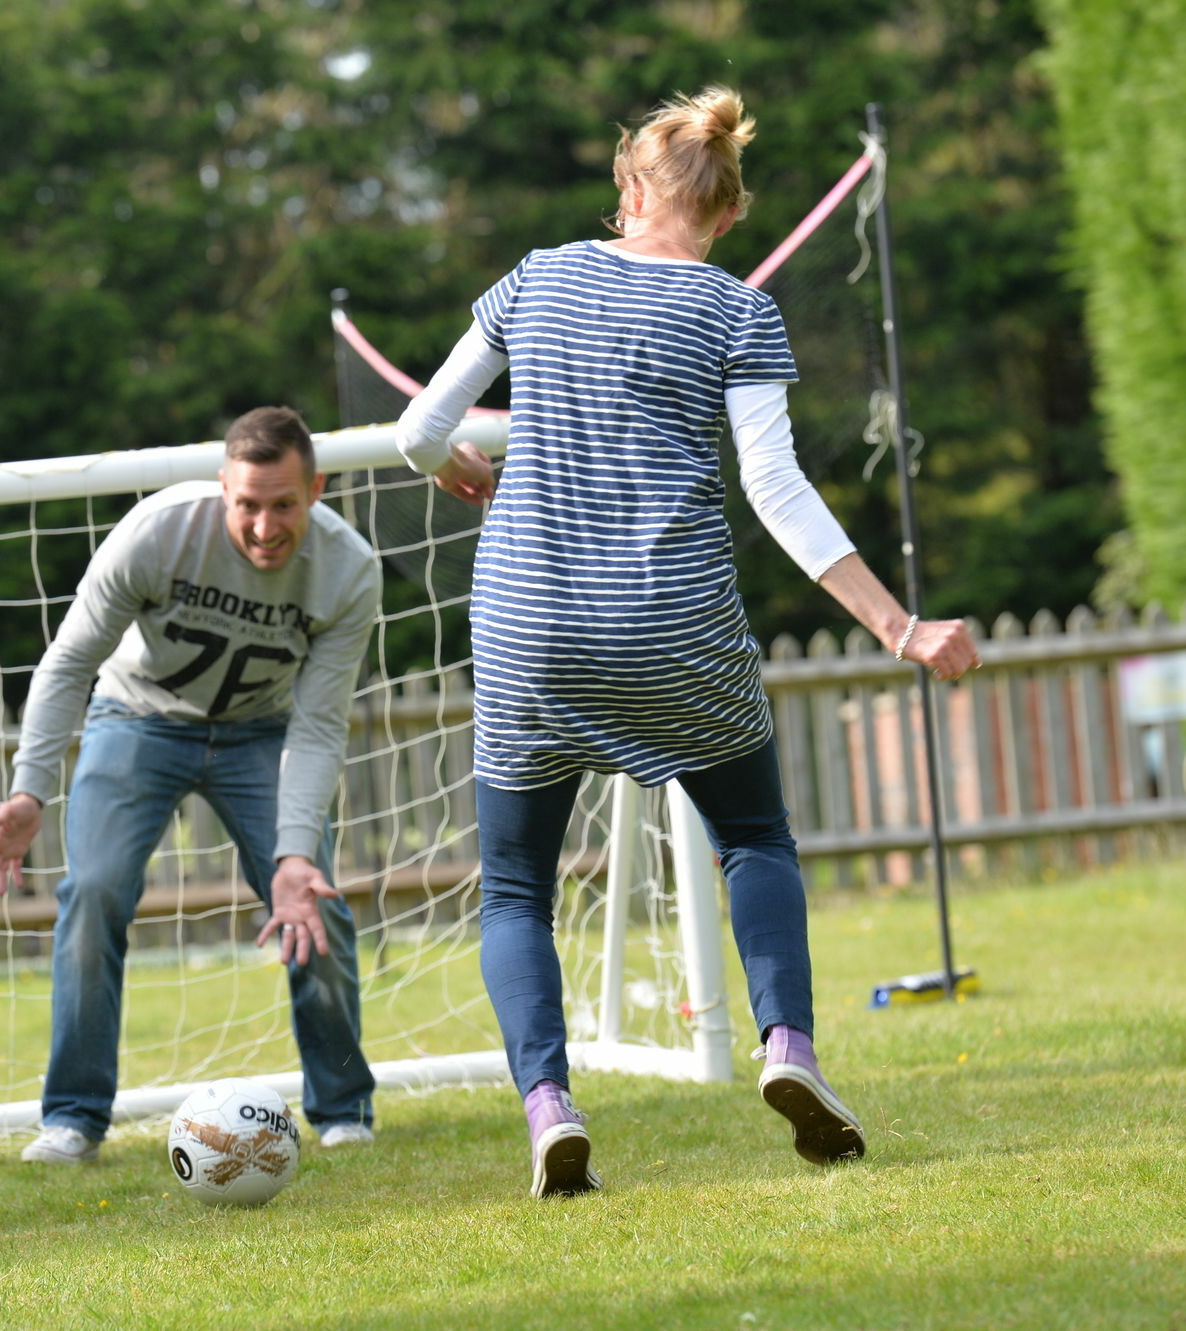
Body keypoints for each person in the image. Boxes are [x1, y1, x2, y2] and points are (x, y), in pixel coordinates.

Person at [397, 88, 982, 1197]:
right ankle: (787, 1051)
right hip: (674, 623)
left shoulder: (534, 277)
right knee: (752, 836)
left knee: (515, 888)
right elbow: (774, 488)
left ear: (627, 189)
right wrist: (897, 623)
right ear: (724, 217)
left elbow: (418, 429)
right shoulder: (736, 312)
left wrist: (455, 467)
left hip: (531, 622)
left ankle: (548, 1106)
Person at [0, 406, 380, 1163]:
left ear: (316, 489)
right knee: (92, 892)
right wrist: (29, 789)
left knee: (313, 898)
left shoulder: (348, 569)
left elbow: (321, 725)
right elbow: (67, 662)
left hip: (263, 731)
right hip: (139, 718)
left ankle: (344, 1107)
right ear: (223, 486)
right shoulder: (157, 532)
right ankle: (73, 1117)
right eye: (248, 504)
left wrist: (294, 853)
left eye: (283, 504)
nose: (263, 526)